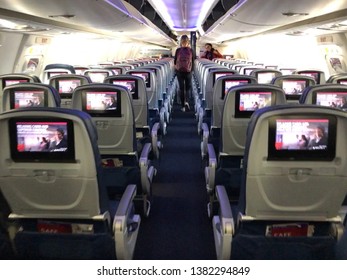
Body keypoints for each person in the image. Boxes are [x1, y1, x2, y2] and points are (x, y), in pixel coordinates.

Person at [174, 34, 193, 112]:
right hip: (188, 72)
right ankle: (187, 102)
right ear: (188, 42)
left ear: (181, 42)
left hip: (179, 72)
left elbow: (175, 61)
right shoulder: (191, 50)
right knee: (188, 88)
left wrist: (176, 70)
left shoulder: (178, 50)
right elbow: (193, 61)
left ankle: (182, 106)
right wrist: (191, 71)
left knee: (182, 88)